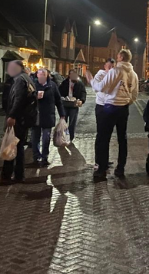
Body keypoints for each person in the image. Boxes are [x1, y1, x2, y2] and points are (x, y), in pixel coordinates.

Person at [88, 49, 139, 180]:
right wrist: (126, 102)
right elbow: (134, 95)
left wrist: (91, 80)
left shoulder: (115, 71)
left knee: (104, 138)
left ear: (120, 57)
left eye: (118, 57)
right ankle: (120, 168)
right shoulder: (134, 74)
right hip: (124, 109)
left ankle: (101, 169)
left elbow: (100, 87)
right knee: (122, 138)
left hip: (110, 106)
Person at [0, 60, 37, 185]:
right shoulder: (26, 78)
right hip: (25, 119)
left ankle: (6, 176)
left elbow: (18, 99)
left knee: (11, 146)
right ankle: (19, 175)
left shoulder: (19, 80)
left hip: (19, 119)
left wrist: (12, 116)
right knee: (19, 146)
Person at [31, 69, 66, 167]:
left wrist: (62, 114)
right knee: (35, 138)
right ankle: (36, 157)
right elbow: (27, 98)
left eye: (44, 75)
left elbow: (58, 100)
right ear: (37, 75)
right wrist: (34, 96)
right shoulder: (33, 85)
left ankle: (44, 157)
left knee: (46, 138)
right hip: (36, 115)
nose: (41, 76)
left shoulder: (52, 85)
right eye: (40, 74)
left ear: (47, 76)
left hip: (48, 115)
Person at [59, 70, 87, 142]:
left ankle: (70, 137)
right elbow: (59, 92)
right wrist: (61, 98)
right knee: (63, 121)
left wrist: (82, 100)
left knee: (72, 121)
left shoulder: (79, 83)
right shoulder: (64, 83)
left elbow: (83, 92)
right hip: (65, 104)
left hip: (74, 104)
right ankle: (63, 136)